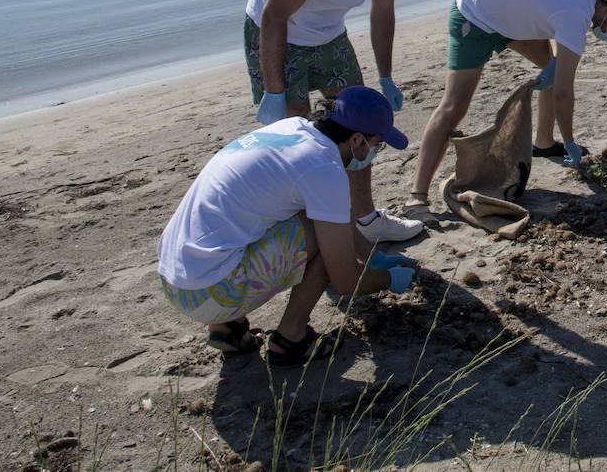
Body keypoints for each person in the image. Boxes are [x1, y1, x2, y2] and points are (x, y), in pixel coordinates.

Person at [245, 0, 457, 245]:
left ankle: (366, 220)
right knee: (295, 133)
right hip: (277, 29)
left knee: (363, 122)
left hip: (328, 32)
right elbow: (274, 13)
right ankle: (307, 234)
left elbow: (382, 12)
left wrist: (385, 76)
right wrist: (274, 89)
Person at [158, 86, 416, 366]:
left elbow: (333, 218)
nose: (376, 151)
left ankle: (227, 330)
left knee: (309, 218)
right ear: (357, 140)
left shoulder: (292, 128)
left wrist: (372, 257)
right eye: (377, 143)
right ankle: (290, 339)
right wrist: (390, 280)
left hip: (175, 276)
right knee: (325, 242)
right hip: (211, 292)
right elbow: (345, 280)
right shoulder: (324, 169)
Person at [403, 0, 607, 223]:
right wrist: (570, 142)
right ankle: (416, 197)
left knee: (552, 67)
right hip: (474, 15)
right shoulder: (576, 15)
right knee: (454, 107)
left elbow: (551, 8)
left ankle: (544, 143)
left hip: (506, 11)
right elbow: (563, 94)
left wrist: (555, 62)